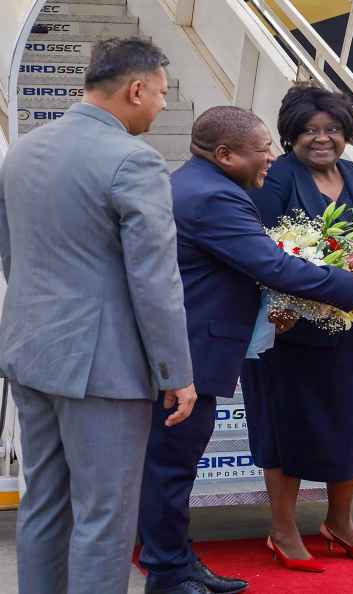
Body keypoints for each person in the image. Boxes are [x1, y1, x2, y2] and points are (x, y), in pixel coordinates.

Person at [137, 105, 353, 594]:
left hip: (195, 347)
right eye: (263, 150)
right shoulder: (214, 197)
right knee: (171, 468)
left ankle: (176, 563)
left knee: (174, 466)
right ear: (225, 154)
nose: (271, 158)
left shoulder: (202, 184)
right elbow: (274, 267)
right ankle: (169, 572)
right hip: (191, 350)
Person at [0, 38, 197, 594]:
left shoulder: (26, 149)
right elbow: (156, 280)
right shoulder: (135, 161)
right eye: (160, 94)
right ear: (136, 90)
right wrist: (175, 372)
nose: (161, 106)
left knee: (43, 503)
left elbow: (12, 252)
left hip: (29, 352)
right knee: (104, 516)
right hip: (102, 371)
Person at [239, 83, 353, 569]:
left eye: (332, 129)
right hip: (290, 332)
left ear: (347, 133)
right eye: (309, 131)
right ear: (290, 135)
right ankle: (283, 528)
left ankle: (339, 521)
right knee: (285, 428)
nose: (321, 139)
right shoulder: (274, 180)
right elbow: (259, 247)